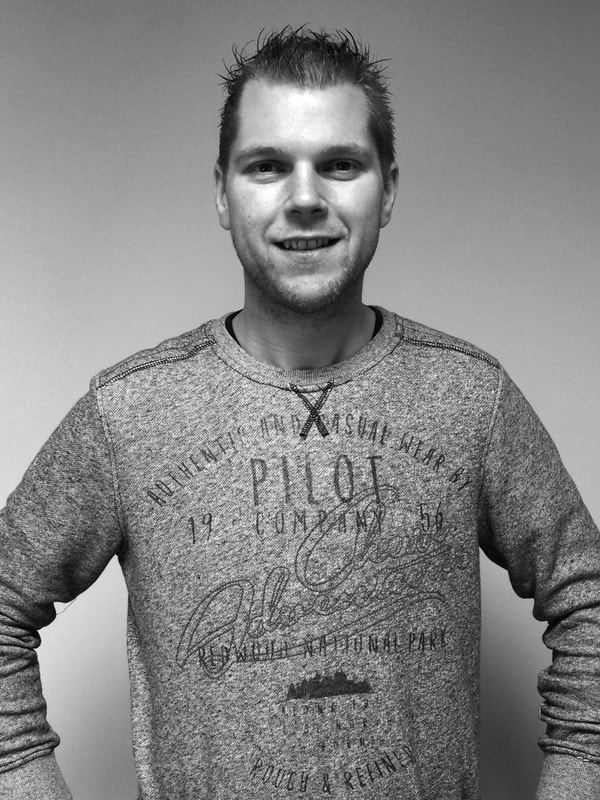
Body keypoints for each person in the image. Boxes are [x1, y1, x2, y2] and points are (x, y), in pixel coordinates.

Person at [0, 27, 599, 800]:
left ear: (387, 189)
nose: (306, 198)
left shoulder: (470, 397)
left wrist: (577, 775)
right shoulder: (131, 411)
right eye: (268, 166)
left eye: (340, 164)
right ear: (224, 194)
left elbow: (587, 596)